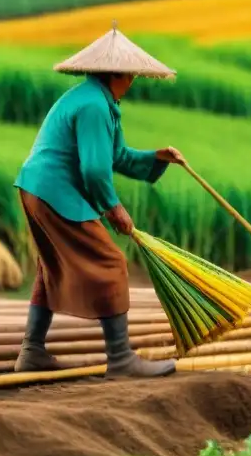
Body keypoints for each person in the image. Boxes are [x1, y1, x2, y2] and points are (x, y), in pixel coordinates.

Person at [12, 22, 184, 379]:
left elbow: (115, 156)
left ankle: (31, 350)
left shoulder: (96, 100)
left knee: (51, 266)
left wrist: (156, 158)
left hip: (38, 189)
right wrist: (113, 209)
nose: (134, 80)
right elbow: (93, 170)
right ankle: (120, 358)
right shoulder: (93, 106)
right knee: (110, 263)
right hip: (54, 190)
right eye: (133, 74)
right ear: (119, 74)